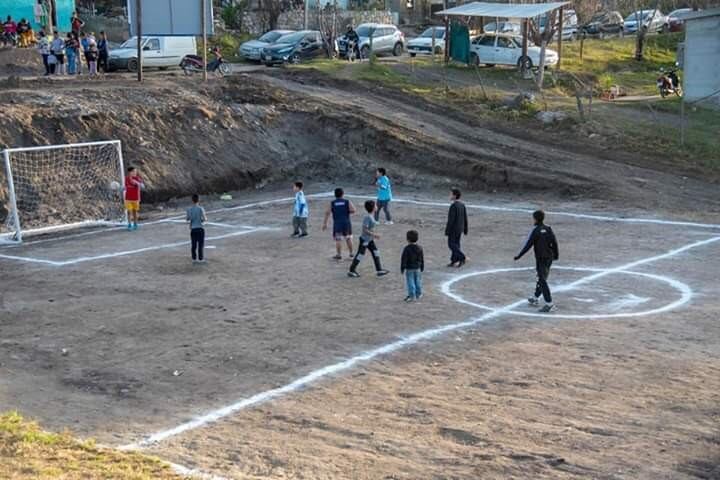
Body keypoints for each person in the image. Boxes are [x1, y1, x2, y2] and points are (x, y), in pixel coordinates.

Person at [514, 210, 559, 313]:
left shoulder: (536, 231)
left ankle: (549, 303)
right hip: (549, 257)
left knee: (542, 280)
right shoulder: (548, 228)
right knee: (541, 278)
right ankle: (535, 298)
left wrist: (519, 256)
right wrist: (556, 255)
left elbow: (528, 245)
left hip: (541, 259)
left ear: (534, 218)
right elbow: (554, 242)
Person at [348, 200, 389, 278]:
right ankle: (351, 270)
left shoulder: (371, 216)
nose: (377, 206)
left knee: (376, 252)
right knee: (360, 255)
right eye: (375, 206)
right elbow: (365, 230)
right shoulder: (367, 217)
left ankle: (379, 270)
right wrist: (375, 235)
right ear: (373, 208)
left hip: (369, 240)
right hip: (365, 240)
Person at [322, 187, 356, 260]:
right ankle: (351, 254)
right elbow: (353, 210)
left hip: (337, 223)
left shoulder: (333, 203)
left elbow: (327, 212)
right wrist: (346, 212)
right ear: (343, 194)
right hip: (346, 222)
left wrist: (325, 223)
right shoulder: (347, 201)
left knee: (338, 239)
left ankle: (338, 254)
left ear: (335, 195)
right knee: (348, 238)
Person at [445, 187, 468, 268]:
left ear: (454, 196)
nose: (449, 195)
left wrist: (447, 230)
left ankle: (462, 257)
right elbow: (465, 218)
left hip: (454, 229)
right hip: (460, 229)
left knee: (451, 244)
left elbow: (451, 220)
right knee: (456, 244)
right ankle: (454, 260)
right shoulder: (462, 205)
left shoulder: (453, 206)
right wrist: (465, 229)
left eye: (451, 194)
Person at [400, 230, 424, 302]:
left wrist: (402, 267)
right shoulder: (420, 248)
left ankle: (412, 295)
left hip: (409, 268)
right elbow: (421, 258)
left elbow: (404, 259)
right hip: (418, 268)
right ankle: (419, 293)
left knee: (410, 282)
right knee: (418, 281)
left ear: (408, 239)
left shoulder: (407, 248)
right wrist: (422, 266)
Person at [187, 194, 207, 263]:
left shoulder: (189, 209)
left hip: (193, 229)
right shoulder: (201, 209)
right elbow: (205, 219)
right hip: (200, 228)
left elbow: (188, 219)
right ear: (198, 200)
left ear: (192, 200)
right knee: (200, 245)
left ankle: (194, 259)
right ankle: (201, 259)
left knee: (193, 245)